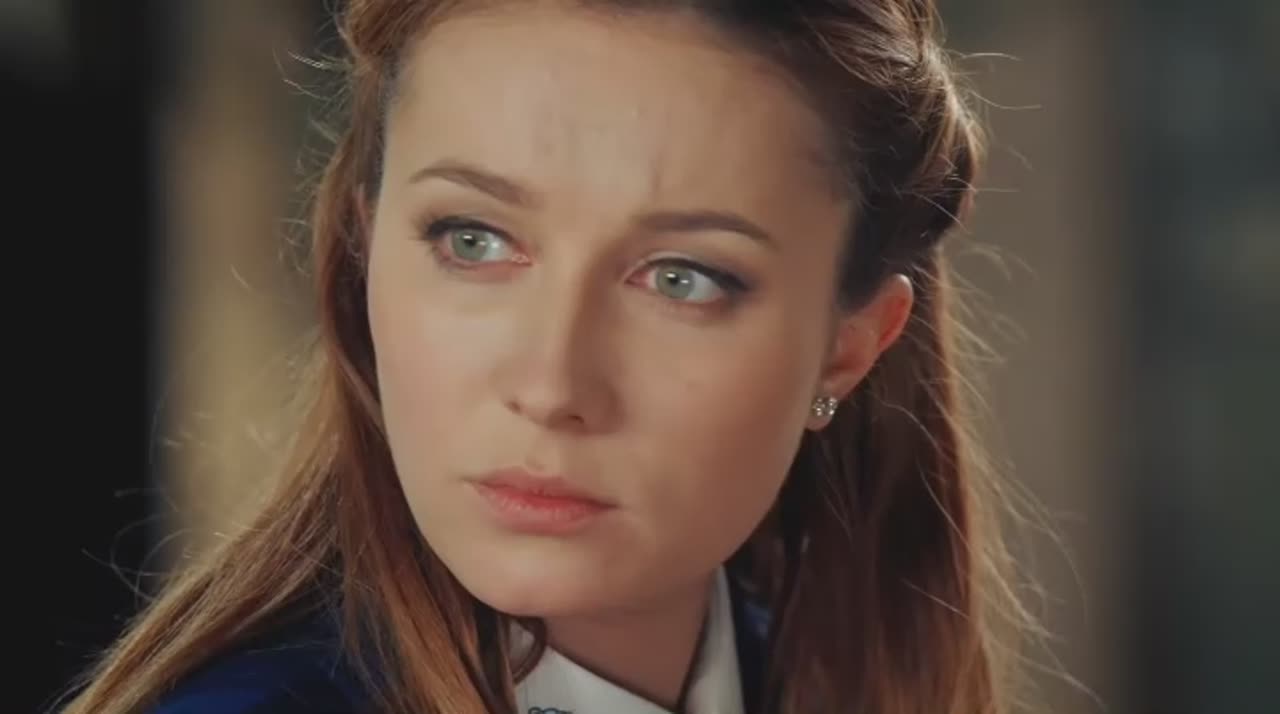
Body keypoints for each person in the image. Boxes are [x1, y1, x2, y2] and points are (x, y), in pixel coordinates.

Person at [58, 1, 1040, 712]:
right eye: (473, 239)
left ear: (849, 346)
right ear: (364, 254)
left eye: (682, 278)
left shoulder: (827, 677)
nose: (550, 384)